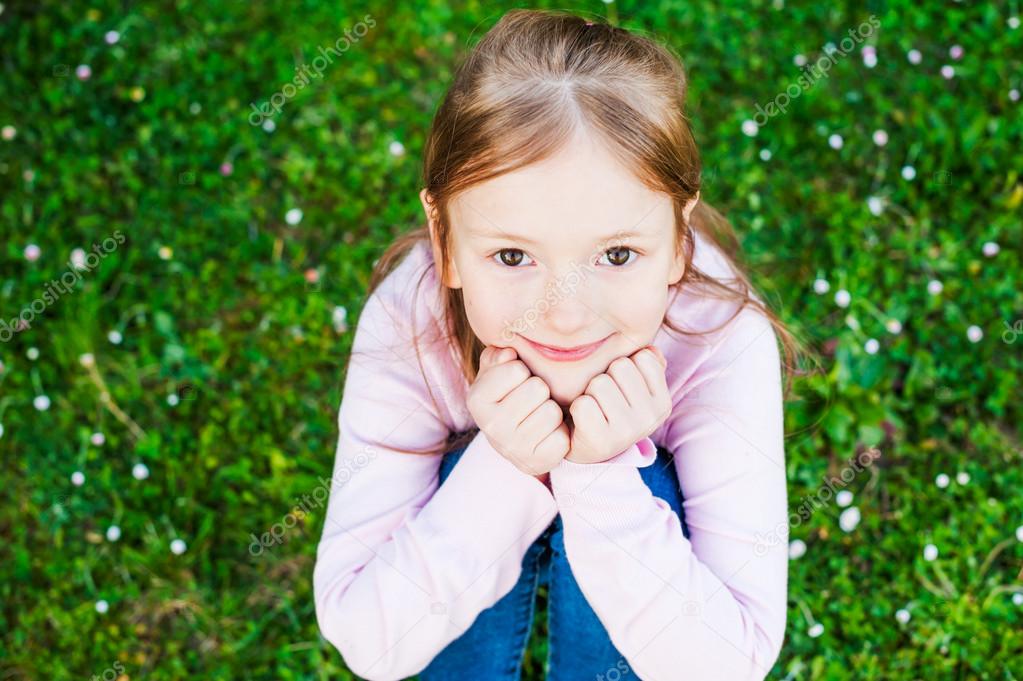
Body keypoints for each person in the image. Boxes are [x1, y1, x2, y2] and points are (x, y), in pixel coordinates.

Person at [314, 8, 804, 680]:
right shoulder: (409, 323)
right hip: (472, 519)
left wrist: (603, 477)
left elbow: (729, 660)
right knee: (463, 472)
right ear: (444, 241)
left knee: (646, 478)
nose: (566, 316)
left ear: (678, 240)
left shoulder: (722, 342)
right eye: (513, 256)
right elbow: (369, 639)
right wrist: (504, 464)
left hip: (634, 533)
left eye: (618, 254)